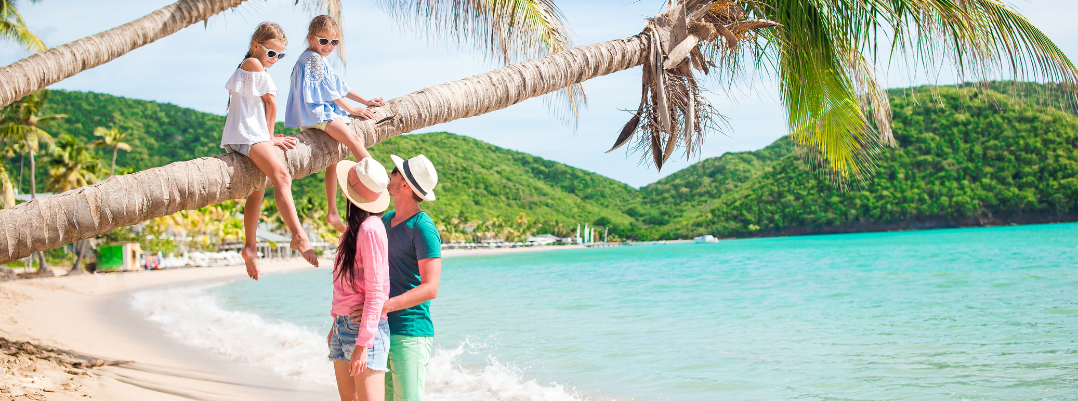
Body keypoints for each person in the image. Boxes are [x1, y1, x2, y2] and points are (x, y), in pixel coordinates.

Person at [222, 22, 319, 280]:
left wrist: (266, 136)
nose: (275, 59)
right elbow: (271, 103)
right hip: (250, 135)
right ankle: (298, 235)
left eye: (280, 55)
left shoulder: (247, 67)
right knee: (282, 177)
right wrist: (268, 138)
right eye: (271, 53)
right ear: (256, 46)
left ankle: (250, 247)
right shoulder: (254, 65)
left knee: (257, 191)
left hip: (242, 135)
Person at [283, 14, 384, 234]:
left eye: (333, 42)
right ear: (311, 38)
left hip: (314, 114)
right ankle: (380, 188)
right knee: (354, 141)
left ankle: (332, 212)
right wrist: (352, 109)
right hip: (318, 113)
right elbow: (330, 92)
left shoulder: (317, 59)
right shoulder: (312, 59)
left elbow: (340, 86)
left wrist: (365, 101)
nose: (328, 46)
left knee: (335, 159)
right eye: (323, 40)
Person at [351, 154, 441, 401]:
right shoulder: (386, 219)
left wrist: (383, 306)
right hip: (381, 329)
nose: (389, 176)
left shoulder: (423, 228)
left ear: (404, 185)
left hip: (410, 331)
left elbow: (431, 287)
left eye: (394, 172)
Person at [328, 157, 393, 401]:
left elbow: (377, 291)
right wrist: (335, 323)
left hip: (364, 332)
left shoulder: (370, 228)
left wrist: (363, 344)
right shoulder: (352, 230)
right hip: (344, 325)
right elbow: (343, 285)